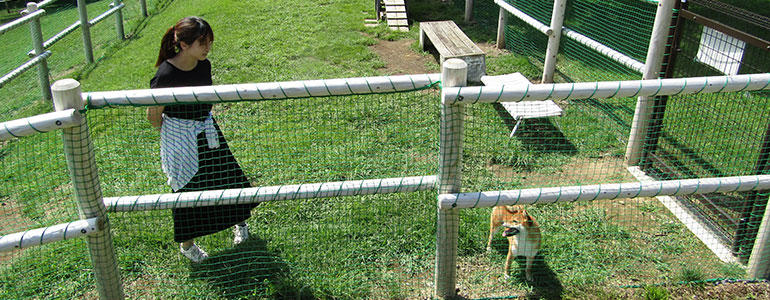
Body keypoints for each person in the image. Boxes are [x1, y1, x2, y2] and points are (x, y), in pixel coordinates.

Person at [147, 16, 257, 263]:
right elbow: (153, 116)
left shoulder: (203, 64)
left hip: (207, 130)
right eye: (202, 43)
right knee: (186, 189)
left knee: (226, 176)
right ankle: (188, 246)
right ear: (184, 45)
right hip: (180, 137)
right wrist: (176, 132)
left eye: (209, 42)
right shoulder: (165, 75)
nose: (208, 48)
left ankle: (240, 225)